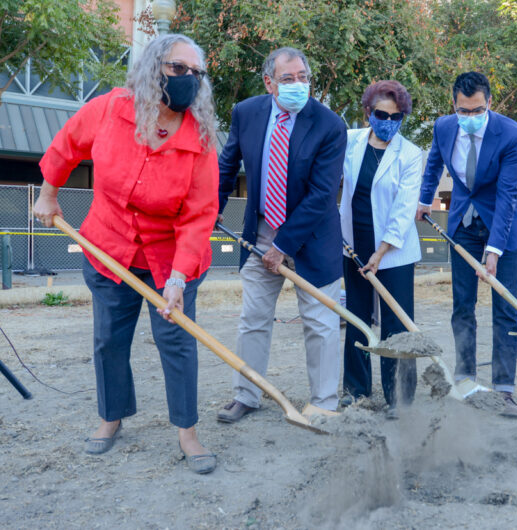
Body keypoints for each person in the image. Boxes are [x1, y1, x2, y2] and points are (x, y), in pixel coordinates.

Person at [32, 35, 220, 473]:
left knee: (176, 341)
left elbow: (198, 217)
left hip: (170, 258)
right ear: (154, 68)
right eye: (178, 69)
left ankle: (187, 433)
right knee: (109, 339)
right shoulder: (111, 109)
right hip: (109, 245)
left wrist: (176, 281)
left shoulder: (201, 140)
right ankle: (110, 417)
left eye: (196, 73)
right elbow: (66, 146)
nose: (188, 79)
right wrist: (48, 195)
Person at [216, 47, 347, 422]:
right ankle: (247, 394)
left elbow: (323, 195)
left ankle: (324, 402)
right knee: (253, 318)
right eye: (288, 79)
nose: (298, 85)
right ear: (269, 82)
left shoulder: (329, 125)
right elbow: (228, 163)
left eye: (303, 77)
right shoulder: (247, 112)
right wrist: (215, 205)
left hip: (313, 238)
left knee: (320, 324)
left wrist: (283, 246)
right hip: (259, 233)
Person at [416, 72, 517, 417]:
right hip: (462, 221)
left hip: (502, 225)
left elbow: (509, 194)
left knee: (505, 309)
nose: (468, 118)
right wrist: (424, 199)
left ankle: (504, 389)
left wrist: (494, 250)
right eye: (463, 111)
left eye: (476, 110)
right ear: (454, 105)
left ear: (489, 103)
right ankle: (465, 378)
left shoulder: (512, 134)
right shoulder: (444, 127)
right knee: (462, 305)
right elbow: (434, 162)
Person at [339, 80, 422, 419]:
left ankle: (399, 398)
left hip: (393, 252)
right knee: (357, 318)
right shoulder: (349, 141)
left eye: (396, 116)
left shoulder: (411, 154)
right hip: (353, 246)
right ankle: (356, 392)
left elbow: (403, 211)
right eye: (380, 114)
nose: (388, 120)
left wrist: (381, 252)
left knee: (396, 327)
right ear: (367, 112)